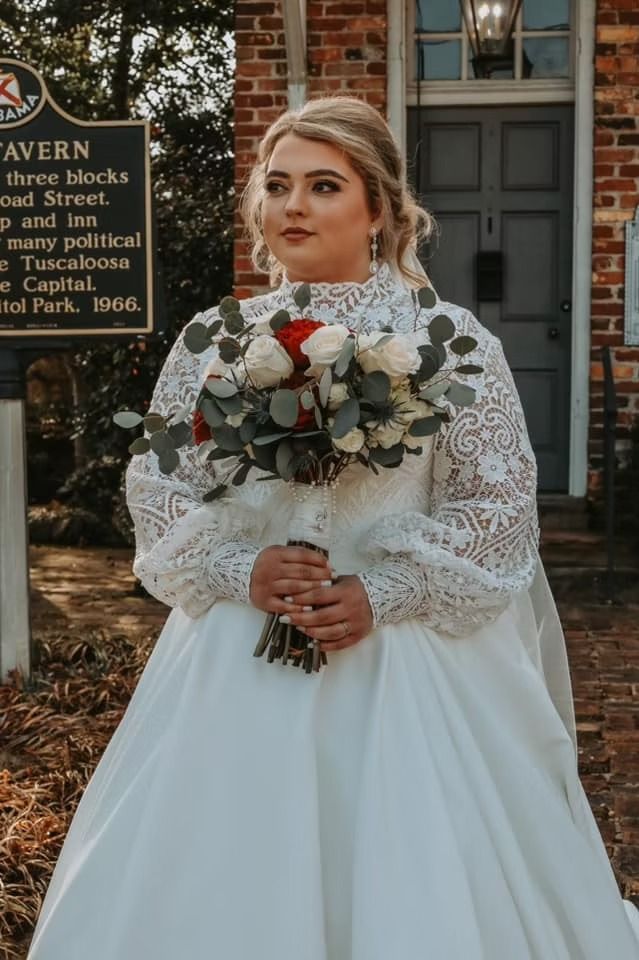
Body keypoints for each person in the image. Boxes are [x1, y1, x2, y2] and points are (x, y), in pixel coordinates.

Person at [26, 96, 639, 959]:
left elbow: (494, 509)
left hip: (401, 652)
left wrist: (383, 589)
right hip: (241, 644)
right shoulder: (215, 338)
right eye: (276, 186)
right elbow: (161, 481)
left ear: (379, 208)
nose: (293, 207)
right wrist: (242, 571)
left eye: (322, 185)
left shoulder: (448, 343)